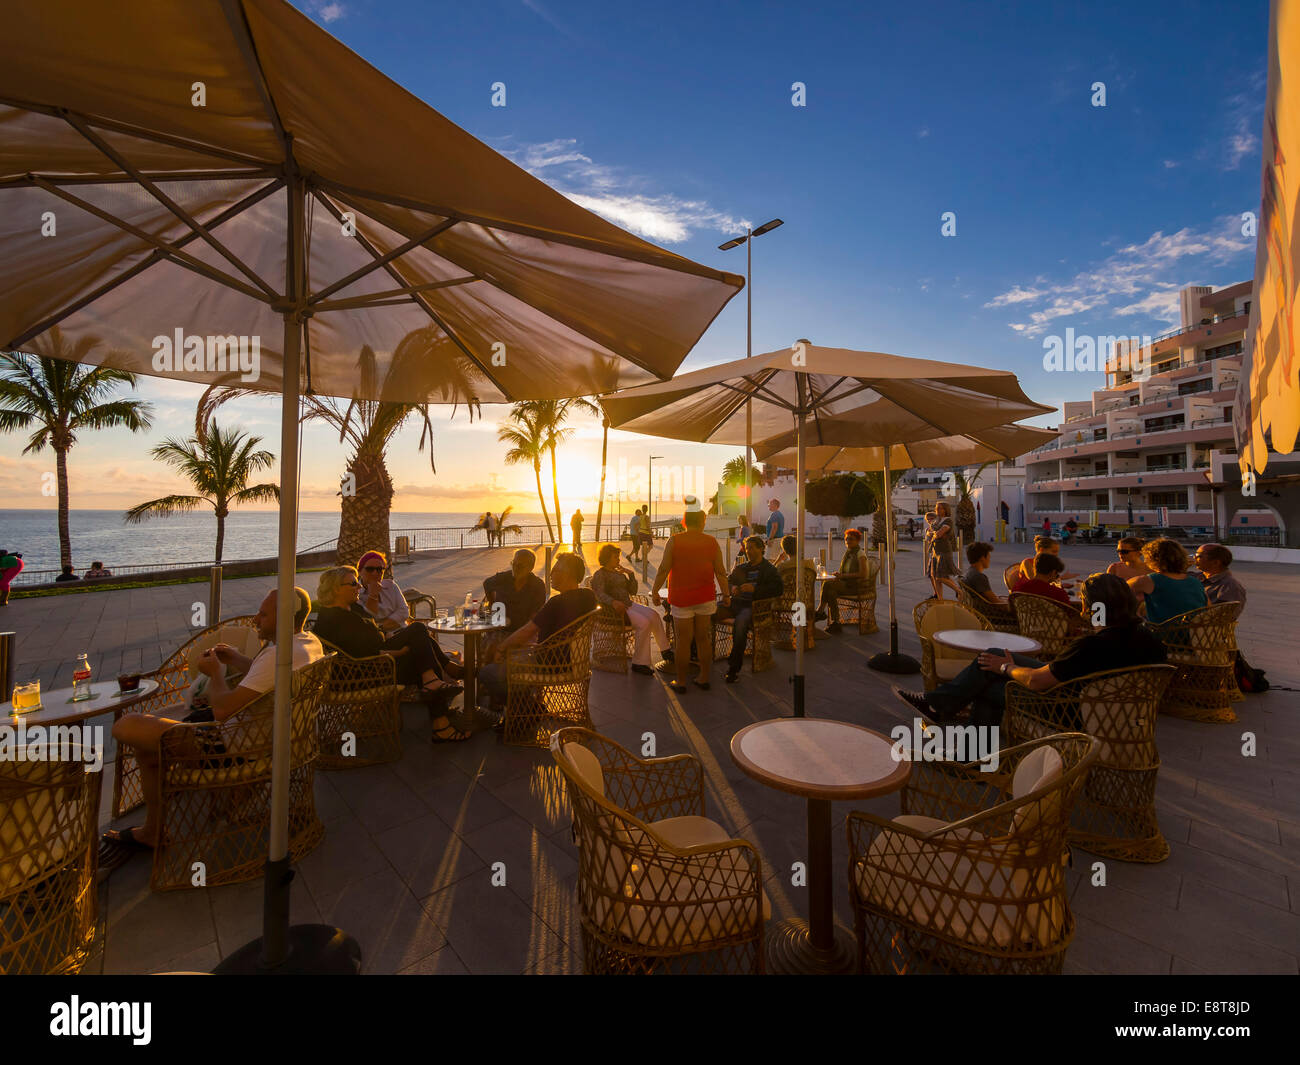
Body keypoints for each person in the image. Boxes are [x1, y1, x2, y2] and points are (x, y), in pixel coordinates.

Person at [102, 587, 325, 861]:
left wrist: (216, 673)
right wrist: (236, 659)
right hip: (270, 738)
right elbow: (266, 680)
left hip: (235, 748)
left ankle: (157, 827)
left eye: (264, 614)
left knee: (126, 726)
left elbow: (221, 711)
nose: (256, 619)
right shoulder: (306, 643)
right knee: (149, 748)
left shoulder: (276, 656)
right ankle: (154, 827)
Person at [895, 573, 1167, 728]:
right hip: (1120, 714)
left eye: (1086, 603)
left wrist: (1006, 668)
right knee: (992, 654)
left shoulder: (1093, 645)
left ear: (1095, 607)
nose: (1083, 608)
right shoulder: (1151, 639)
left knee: (988, 681)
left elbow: (1038, 682)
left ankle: (962, 743)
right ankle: (940, 707)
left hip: (1070, 709)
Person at [312, 565, 468, 741]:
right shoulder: (334, 619)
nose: (359, 587)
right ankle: (440, 711)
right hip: (363, 674)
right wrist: (400, 651)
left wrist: (386, 634)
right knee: (418, 635)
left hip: (375, 661)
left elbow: (371, 633)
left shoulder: (351, 608)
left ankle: (438, 699)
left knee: (422, 645)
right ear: (335, 589)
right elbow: (364, 653)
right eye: (353, 583)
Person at [480, 552, 597, 705]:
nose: (550, 574)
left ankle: (525, 709)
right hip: (574, 661)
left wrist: (502, 648)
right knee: (503, 661)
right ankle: (526, 705)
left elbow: (527, 631)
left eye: (555, 571)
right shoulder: (589, 597)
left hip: (548, 663)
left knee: (487, 673)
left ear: (567, 575)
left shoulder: (556, 603)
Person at [651, 496, 730, 692]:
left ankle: (681, 681)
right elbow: (720, 571)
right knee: (703, 638)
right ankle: (703, 677)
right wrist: (726, 594)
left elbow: (663, 569)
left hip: (681, 598)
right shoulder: (711, 542)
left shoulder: (675, 541)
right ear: (702, 521)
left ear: (685, 522)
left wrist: (655, 591)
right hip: (705, 597)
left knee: (683, 640)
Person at [591, 543, 668, 676]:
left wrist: (630, 574)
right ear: (607, 558)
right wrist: (613, 602)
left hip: (628, 604)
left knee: (654, 615)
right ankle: (639, 662)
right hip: (614, 611)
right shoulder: (600, 574)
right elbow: (599, 593)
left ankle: (665, 650)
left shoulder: (618, 572)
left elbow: (632, 591)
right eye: (615, 557)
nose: (618, 560)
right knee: (644, 623)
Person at [723, 535, 783, 683]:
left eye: (751, 547)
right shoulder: (742, 567)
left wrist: (754, 588)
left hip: (754, 607)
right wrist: (733, 587)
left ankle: (733, 667)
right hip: (735, 603)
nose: (748, 551)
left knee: (741, 622)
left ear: (761, 548)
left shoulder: (769, 569)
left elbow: (777, 588)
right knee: (707, 612)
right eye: (746, 547)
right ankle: (695, 655)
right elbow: (728, 582)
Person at [1128, 538, 1208, 624]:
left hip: (1163, 634)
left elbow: (1119, 589)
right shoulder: (1195, 582)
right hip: (1196, 633)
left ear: (1153, 559)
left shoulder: (1149, 580)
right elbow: (1208, 608)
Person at [483, 549, 547, 634]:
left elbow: (535, 617)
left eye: (520, 565)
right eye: (514, 563)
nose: (516, 568)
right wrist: (492, 603)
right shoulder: (503, 578)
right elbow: (487, 584)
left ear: (531, 567)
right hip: (499, 629)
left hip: (522, 633)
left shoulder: (537, 585)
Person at [816, 528, 866, 633]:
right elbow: (844, 573)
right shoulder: (848, 553)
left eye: (851, 539)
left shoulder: (860, 554)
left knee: (827, 583)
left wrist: (842, 576)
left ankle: (820, 611)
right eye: (846, 539)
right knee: (831, 592)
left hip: (855, 587)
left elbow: (863, 574)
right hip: (845, 584)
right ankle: (836, 623)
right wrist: (838, 575)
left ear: (857, 541)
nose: (848, 541)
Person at [355, 550, 414, 633]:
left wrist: (382, 626)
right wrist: (373, 595)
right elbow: (368, 619)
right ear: (360, 571)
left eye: (379, 569)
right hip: (380, 636)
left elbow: (404, 611)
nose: (375, 573)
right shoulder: (355, 592)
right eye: (370, 569)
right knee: (419, 628)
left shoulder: (390, 586)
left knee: (420, 631)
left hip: (401, 630)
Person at [923, 502, 960, 600]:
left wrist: (933, 533)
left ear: (945, 510)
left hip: (944, 551)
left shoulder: (947, 521)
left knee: (941, 576)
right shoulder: (937, 521)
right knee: (933, 576)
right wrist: (932, 533)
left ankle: (960, 591)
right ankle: (940, 599)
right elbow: (928, 532)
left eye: (940, 508)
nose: (937, 510)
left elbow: (939, 534)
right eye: (936, 508)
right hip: (935, 551)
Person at [1194, 543, 1247, 609]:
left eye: (1199, 556)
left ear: (1216, 562)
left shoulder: (1229, 586)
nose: (1194, 558)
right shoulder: (1195, 577)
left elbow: (1224, 616)